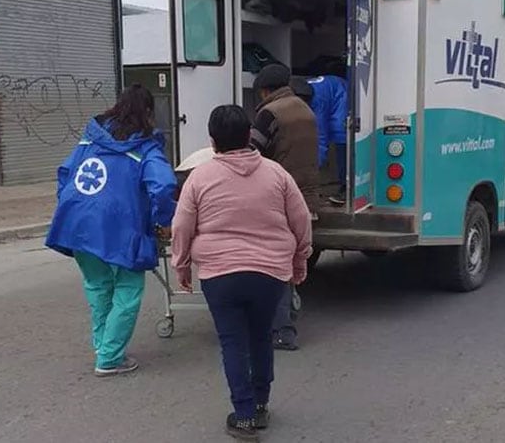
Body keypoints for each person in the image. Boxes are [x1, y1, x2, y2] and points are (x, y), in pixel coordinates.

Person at [171, 105, 313, 441]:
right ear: (249, 136)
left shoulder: (200, 177)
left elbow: (182, 226)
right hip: (269, 274)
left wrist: (182, 264)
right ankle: (261, 405)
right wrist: (300, 259)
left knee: (232, 343)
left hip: (220, 275)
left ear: (212, 141)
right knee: (261, 336)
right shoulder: (277, 174)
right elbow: (301, 220)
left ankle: (245, 415)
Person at [46, 84, 176, 377]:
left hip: (78, 222)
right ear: (148, 112)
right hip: (121, 225)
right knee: (128, 289)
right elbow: (164, 185)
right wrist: (164, 218)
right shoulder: (145, 147)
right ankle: (109, 358)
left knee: (98, 285)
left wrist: (73, 209)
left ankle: (104, 346)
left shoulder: (89, 140)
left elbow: (65, 173)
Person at [250, 64, 320, 352]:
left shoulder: (270, 113)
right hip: (305, 196)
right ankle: (286, 315)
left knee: (272, 263)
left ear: (265, 90)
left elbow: (251, 153)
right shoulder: (305, 110)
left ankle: (282, 330)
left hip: (277, 197)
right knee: (288, 258)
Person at [289, 74, 349, 205]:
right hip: (333, 87)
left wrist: (314, 169)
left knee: (340, 134)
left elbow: (321, 137)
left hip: (341, 94)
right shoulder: (297, 94)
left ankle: (347, 188)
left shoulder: (317, 101)